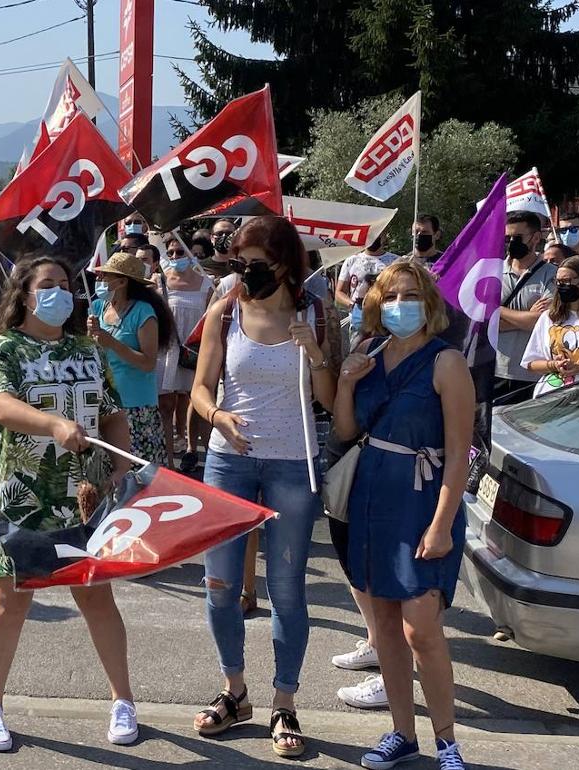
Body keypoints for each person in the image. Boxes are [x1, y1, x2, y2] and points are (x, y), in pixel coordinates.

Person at [189, 215, 340, 759]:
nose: (244, 272)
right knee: (221, 586)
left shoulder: (315, 313)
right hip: (228, 463)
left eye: (255, 263)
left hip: (292, 465)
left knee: (287, 589)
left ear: (283, 265)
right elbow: (201, 389)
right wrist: (217, 417)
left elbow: (327, 398)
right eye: (238, 262)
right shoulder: (224, 312)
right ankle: (235, 691)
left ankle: (284, 701)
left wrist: (315, 352)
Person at [0, 255, 138, 752]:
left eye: (66, 284)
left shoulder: (87, 350)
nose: (60, 293)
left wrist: (122, 464)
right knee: (12, 602)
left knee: (97, 599)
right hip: (20, 497)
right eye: (48, 285)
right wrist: (53, 425)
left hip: (84, 501)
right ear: (24, 295)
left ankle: (123, 700)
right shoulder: (2, 349)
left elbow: (111, 411)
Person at [331, 260, 475, 770]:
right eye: (390, 297)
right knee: (385, 628)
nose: (399, 306)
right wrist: (346, 384)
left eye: (410, 295)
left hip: (422, 499)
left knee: (421, 629)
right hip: (372, 493)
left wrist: (441, 525)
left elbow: (459, 453)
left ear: (430, 303)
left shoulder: (447, 362)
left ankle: (448, 741)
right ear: (374, 304)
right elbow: (345, 432)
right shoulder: (368, 352)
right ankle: (401, 733)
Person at [89, 251, 173, 465]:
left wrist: (113, 343)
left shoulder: (143, 312)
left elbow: (148, 363)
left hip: (136, 407)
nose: (100, 281)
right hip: (105, 404)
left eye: (105, 276)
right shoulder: (98, 308)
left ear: (122, 281)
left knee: (138, 472)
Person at [155, 237, 214, 473]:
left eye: (180, 251)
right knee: (166, 406)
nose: (175, 256)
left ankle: (208, 457)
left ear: (191, 255)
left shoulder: (207, 285)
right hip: (167, 351)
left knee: (199, 402)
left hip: (194, 350)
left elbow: (212, 320)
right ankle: (168, 463)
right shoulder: (159, 282)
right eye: (171, 253)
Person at [521, 256, 579, 395]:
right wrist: (554, 365)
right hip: (552, 395)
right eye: (558, 282)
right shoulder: (548, 317)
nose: (561, 286)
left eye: (567, 281)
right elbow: (530, 362)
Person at [495, 211, 557, 405]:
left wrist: (497, 309)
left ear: (536, 238)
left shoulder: (552, 275)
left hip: (532, 374)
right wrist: (526, 318)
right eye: (507, 238)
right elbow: (482, 320)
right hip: (494, 370)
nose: (511, 242)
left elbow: (542, 322)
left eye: (517, 237)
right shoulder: (493, 272)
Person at [337, 231, 398, 347]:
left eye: (377, 235)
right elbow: (339, 292)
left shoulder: (395, 261)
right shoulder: (352, 260)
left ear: (384, 236)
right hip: (359, 321)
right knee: (357, 354)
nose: (373, 239)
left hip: (386, 320)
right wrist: (354, 305)